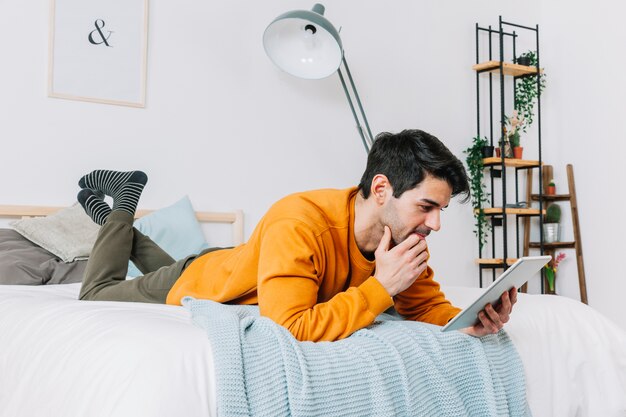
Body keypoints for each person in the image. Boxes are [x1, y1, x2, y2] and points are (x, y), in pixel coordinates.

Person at [77, 129, 516, 342]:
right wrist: (380, 289)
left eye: (440, 210)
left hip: (241, 264)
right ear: (382, 189)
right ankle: (122, 204)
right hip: (204, 283)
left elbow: (426, 306)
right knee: (97, 293)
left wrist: (471, 320)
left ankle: (110, 221)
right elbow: (288, 328)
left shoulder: (402, 237)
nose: (435, 225)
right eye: (427, 207)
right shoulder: (300, 220)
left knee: (180, 261)